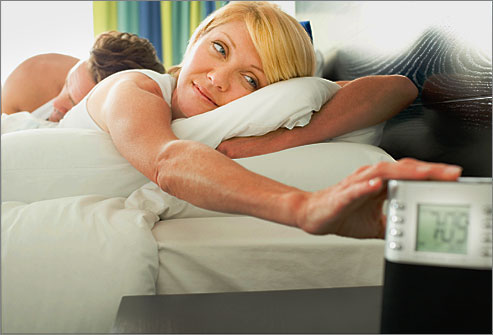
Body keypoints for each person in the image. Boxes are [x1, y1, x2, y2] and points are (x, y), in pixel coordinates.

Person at [55, 1, 461, 238]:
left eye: (250, 78)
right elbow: (166, 160)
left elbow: (399, 87)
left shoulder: (253, 117)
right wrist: (304, 206)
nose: (218, 79)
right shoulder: (135, 86)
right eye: (218, 48)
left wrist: (276, 142)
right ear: (194, 39)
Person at [1, 30, 165, 122]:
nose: (56, 103)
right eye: (66, 85)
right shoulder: (33, 77)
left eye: (72, 103)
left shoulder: (128, 111)